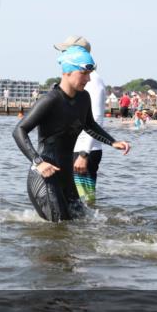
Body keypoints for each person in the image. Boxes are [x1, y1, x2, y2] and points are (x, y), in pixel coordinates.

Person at [14, 47, 130, 221]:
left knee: (79, 224)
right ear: (68, 71)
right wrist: (38, 162)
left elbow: (89, 124)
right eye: (84, 73)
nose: (88, 78)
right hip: (45, 175)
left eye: (90, 73)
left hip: (66, 176)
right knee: (61, 228)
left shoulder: (83, 98)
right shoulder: (50, 100)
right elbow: (19, 131)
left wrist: (112, 142)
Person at [52, 36, 107, 205]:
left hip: (85, 151)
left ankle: (88, 229)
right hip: (74, 149)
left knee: (83, 203)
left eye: (66, 50)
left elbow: (95, 118)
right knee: (70, 202)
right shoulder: (75, 79)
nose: (62, 53)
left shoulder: (92, 80)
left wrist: (84, 153)